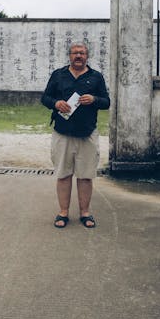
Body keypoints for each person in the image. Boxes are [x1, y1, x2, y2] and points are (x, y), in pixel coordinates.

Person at [41, 41, 110, 229]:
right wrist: (56, 103)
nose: (78, 56)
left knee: (86, 175)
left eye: (82, 53)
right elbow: (45, 98)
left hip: (87, 133)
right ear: (69, 56)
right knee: (63, 174)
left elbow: (106, 102)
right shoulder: (59, 75)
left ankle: (85, 213)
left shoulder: (96, 77)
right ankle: (63, 212)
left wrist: (94, 99)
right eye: (75, 53)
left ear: (87, 56)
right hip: (62, 133)